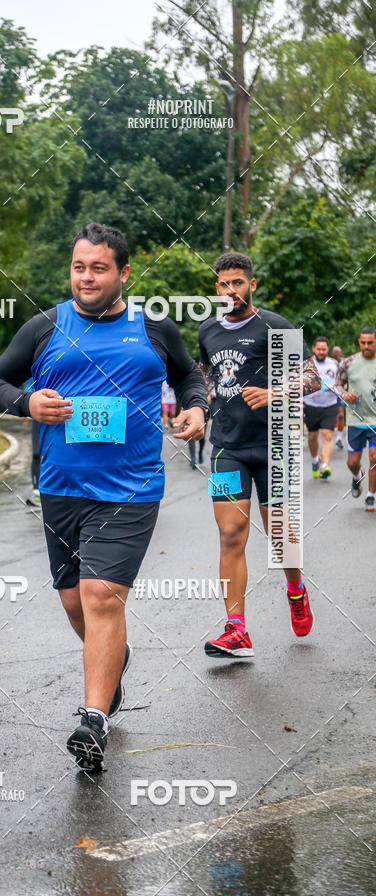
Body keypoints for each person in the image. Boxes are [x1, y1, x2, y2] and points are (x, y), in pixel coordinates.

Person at [0, 222, 208, 770]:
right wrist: (27, 403)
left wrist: (198, 408)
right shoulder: (44, 326)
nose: (86, 277)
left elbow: (189, 379)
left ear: (123, 273)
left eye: (98, 268)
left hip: (130, 490)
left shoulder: (153, 329)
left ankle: (93, 719)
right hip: (60, 486)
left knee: (102, 596)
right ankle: (113, 660)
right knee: (74, 602)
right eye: (79, 267)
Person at [199, 252, 321, 659]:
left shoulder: (274, 326)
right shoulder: (207, 331)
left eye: (237, 282)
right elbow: (202, 379)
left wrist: (274, 392)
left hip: (274, 449)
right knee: (231, 533)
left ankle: (295, 588)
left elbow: (311, 376)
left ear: (252, 284)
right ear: (216, 288)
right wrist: (196, 409)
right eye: (223, 284)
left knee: (281, 540)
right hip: (226, 449)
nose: (230, 290)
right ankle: (237, 631)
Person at [335, 326, 376, 511]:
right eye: (363, 342)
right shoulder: (349, 362)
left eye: (370, 342)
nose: (366, 346)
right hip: (356, 420)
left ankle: (370, 495)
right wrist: (344, 394)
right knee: (352, 462)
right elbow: (337, 385)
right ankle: (357, 474)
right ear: (359, 342)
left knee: (374, 457)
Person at [303, 337, 339, 479]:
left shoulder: (334, 364)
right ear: (313, 349)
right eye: (319, 349)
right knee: (312, 437)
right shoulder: (306, 364)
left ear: (327, 349)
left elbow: (341, 382)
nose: (321, 352)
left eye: (324, 349)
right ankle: (315, 461)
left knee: (327, 436)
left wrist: (336, 388)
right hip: (311, 406)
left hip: (329, 405)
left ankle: (325, 465)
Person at [331, 345, 346, 449]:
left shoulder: (345, 363)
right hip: (329, 393)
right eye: (335, 352)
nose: (337, 354)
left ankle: (339, 438)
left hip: (341, 392)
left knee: (341, 415)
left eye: (339, 352)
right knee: (330, 415)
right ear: (332, 353)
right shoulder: (328, 362)